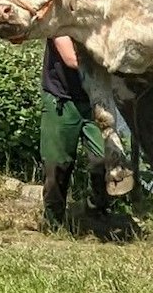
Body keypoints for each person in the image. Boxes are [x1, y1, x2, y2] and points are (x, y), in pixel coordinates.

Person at [40, 34, 112, 234]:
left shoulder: (100, 19)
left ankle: (93, 209)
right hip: (61, 100)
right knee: (56, 166)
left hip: (97, 100)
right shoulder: (58, 21)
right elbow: (72, 59)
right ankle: (53, 223)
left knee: (105, 161)